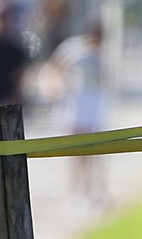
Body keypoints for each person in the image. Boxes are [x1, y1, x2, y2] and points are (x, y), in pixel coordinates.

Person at [47, 22, 110, 205]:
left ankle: (93, 190)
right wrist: (58, 91)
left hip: (95, 108)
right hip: (79, 108)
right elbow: (57, 68)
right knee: (78, 153)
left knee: (95, 153)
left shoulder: (100, 54)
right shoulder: (78, 51)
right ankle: (76, 192)